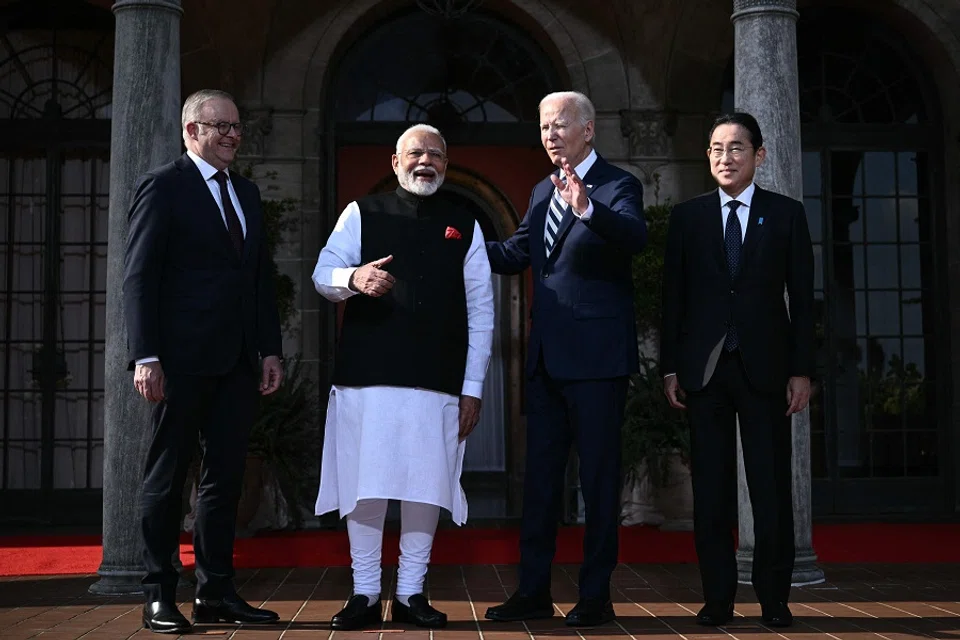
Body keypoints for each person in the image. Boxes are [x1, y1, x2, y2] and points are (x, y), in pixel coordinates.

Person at [312, 123, 494, 631]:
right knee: (365, 489)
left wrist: (472, 388)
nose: (425, 162)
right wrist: (354, 278)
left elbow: (482, 311)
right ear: (395, 162)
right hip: (366, 379)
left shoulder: (465, 223)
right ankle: (365, 592)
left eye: (436, 154)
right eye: (415, 153)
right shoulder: (361, 213)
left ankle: (412, 592)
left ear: (446, 163)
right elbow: (321, 274)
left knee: (424, 488)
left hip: (437, 383)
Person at [123, 89, 284, 634]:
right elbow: (139, 278)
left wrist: (269, 349)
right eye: (221, 127)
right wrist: (145, 356)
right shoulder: (163, 187)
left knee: (225, 479)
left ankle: (215, 592)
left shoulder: (248, 192)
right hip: (179, 360)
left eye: (237, 127)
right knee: (166, 477)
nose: (233, 135)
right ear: (192, 131)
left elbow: (259, 279)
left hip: (237, 362)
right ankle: (159, 594)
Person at [484, 91, 646, 627]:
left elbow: (634, 237)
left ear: (588, 131)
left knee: (598, 483)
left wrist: (585, 208)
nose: (550, 135)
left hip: (598, 362)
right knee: (541, 484)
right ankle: (533, 591)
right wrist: (452, 243)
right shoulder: (538, 190)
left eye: (558, 125)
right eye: (543, 127)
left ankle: (595, 596)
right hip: (547, 361)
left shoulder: (619, 185)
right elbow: (515, 254)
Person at [660, 112, 814, 628]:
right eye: (716, 149)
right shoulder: (688, 217)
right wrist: (669, 368)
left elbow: (803, 301)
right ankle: (717, 600)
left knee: (770, 489)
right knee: (711, 491)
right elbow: (672, 300)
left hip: (766, 370)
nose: (725, 158)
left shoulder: (787, 215)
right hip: (704, 373)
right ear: (708, 156)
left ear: (759, 155)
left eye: (737, 148)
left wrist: (802, 370)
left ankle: (774, 601)